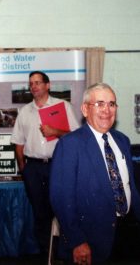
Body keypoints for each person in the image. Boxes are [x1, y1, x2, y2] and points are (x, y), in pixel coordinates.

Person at [50, 83, 140, 264]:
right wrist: (77, 241)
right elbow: (61, 198)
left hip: (127, 235)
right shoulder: (70, 144)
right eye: (100, 104)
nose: (107, 110)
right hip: (90, 241)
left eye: (112, 104)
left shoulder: (122, 140)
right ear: (85, 109)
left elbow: (130, 186)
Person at [11, 71, 80, 258]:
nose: (33, 86)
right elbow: (18, 142)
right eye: (31, 83)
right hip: (33, 168)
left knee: (60, 209)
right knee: (40, 213)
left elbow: (76, 138)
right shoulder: (25, 111)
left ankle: (62, 253)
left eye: (38, 83)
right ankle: (45, 254)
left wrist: (55, 130)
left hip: (58, 166)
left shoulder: (63, 106)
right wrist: (24, 168)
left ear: (48, 85)